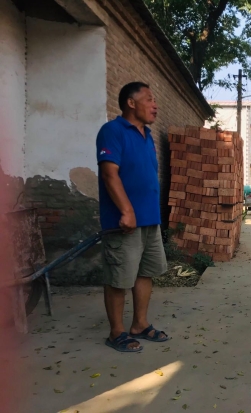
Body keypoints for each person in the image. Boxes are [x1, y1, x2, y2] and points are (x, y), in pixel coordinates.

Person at [97, 82, 169, 352]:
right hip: (124, 223)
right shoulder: (112, 131)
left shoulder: (147, 136)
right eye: (149, 99)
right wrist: (127, 211)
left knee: (145, 273)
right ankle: (116, 332)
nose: (155, 105)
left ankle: (140, 324)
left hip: (150, 220)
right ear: (131, 102)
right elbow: (109, 174)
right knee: (119, 277)